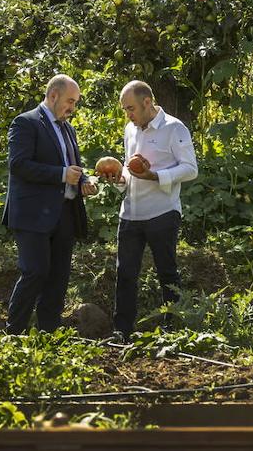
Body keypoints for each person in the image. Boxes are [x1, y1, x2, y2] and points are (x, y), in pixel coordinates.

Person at [1, 74, 97, 334]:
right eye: (70, 101)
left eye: (75, 103)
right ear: (53, 95)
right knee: (35, 272)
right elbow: (18, 165)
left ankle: (49, 335)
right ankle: (14, 334)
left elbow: (71, 164)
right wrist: (61, 174)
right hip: (32, 213)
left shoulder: (68, 128)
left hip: (65, 212)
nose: (72, 108)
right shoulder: (26, 122)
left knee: (58, 278)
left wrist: (83, 181)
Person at [102, 80, 198, 338]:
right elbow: (128, 169)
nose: (128, 115)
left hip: (162, 212)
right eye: (124, 109)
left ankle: (172, 329)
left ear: (147, 102)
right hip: (131, 212)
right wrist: (119, 179)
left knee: (166, 271)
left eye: (131, 108)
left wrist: (155, 176)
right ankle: (121, 331)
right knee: (125, 274)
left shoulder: (174, 128)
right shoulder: (129, 130)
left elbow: (190, 169)